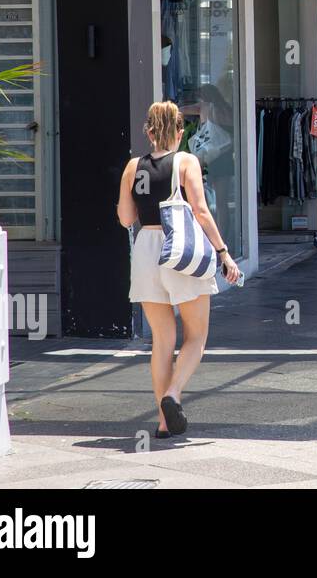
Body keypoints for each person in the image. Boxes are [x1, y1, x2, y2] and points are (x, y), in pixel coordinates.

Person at [116, 101, 240, 440]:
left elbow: (126, 219)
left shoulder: (132, 167)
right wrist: (224, 253)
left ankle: (163, 422)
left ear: (149, 132)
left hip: (145, 251)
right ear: (181, 132)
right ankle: (174, 394)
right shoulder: (187, 161)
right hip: (180, 250)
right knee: (196, 336)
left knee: (161, 340)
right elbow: (200, 210)